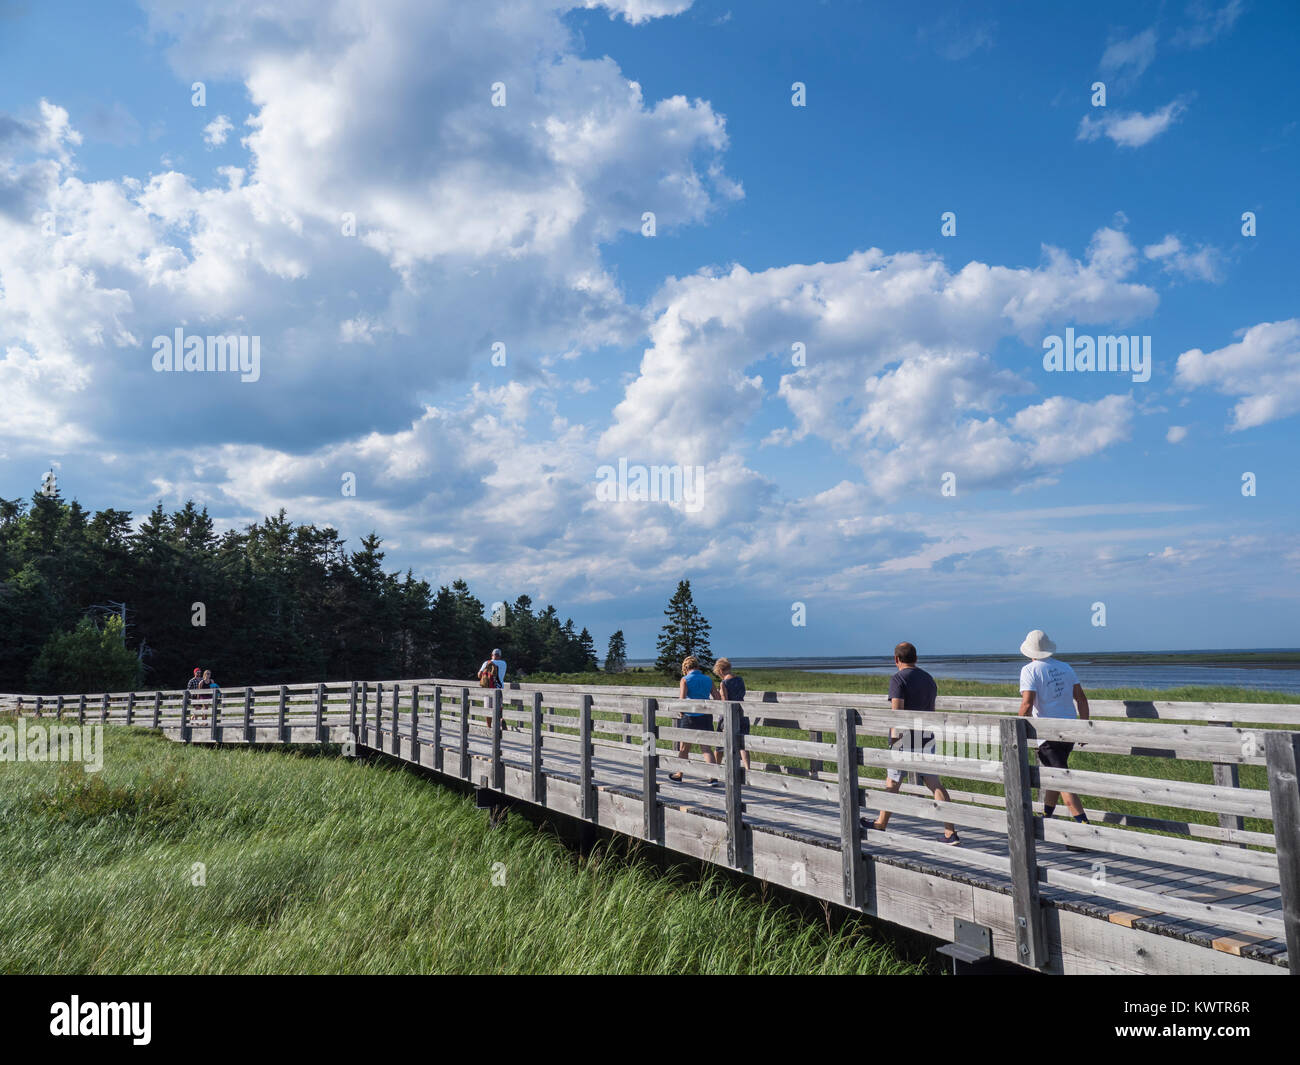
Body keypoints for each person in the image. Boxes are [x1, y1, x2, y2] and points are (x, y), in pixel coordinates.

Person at [862, 642, 959, 845]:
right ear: (915, 658)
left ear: (896, 659)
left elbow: (897, 713)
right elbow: (931, 711)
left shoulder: (898, 679)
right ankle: (950, 832)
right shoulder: (928, 679)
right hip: (926, 736)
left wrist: (894, 740)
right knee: (934, 783)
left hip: (905, 738)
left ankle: (881, 823)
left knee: (893, 782)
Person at [1017, 629, 1090, 825]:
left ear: (1029, 651)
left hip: (1047, 734)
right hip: (1069, 730)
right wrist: (1083, 727)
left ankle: (1083, 825)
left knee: (1061, 778)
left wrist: (1016, 729)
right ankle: (1047, 816)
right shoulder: (1066, 667)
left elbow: (1027, 703)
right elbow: (1081, 698)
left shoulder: (1029, 670)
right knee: (1055, 772)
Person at [667, 656, 718, 786]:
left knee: (684, 748)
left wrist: (681, 712)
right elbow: (717, 697)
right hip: (705, 716)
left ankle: (679, 774)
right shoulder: (708, 679)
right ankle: (713, 777)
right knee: (706, 748)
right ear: (697, 666)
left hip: (689, 717)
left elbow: (682, 700)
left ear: (686, 668)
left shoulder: (685, 680)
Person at [712, 658, 751, 772]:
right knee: (742, 744)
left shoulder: (724, 683)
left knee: (719, 745)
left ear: (720, 671)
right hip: (742, 714)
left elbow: (725, 701)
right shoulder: (740, 680)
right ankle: (748, 769)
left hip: (728, 716)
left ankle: (715, 770)